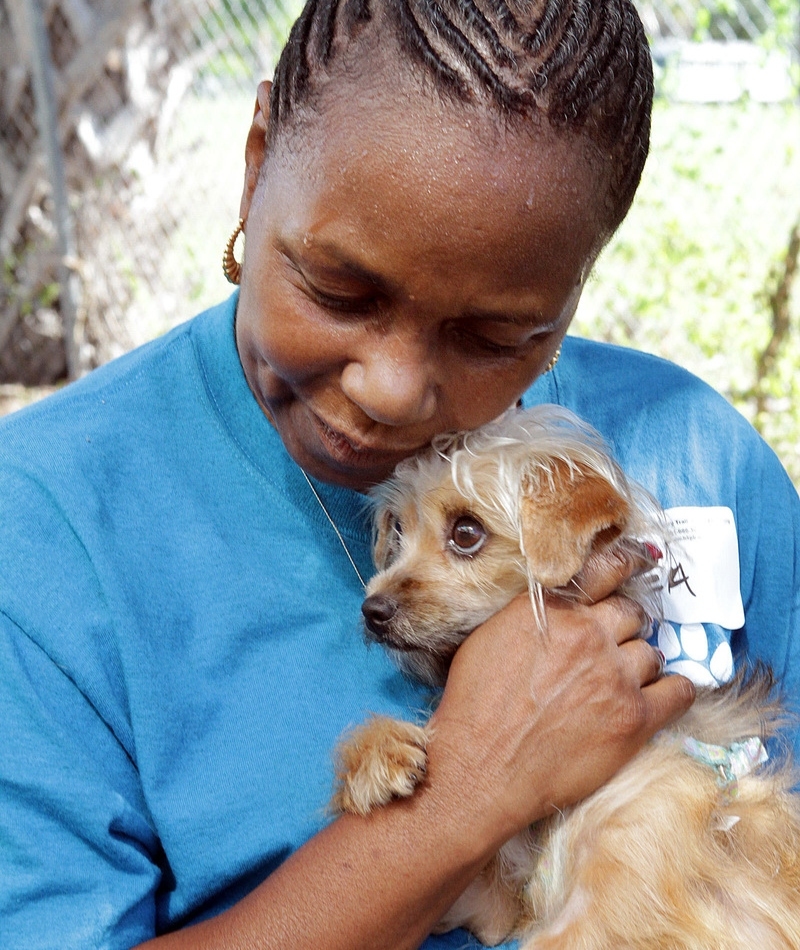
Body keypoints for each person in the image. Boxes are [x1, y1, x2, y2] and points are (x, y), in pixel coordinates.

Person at [1, 1, 797, 947]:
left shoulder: (691, 446)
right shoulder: (45, 528)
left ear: (579, 282)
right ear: (256, 163)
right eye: (340, 291)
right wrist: (466, 792)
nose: (393, 390)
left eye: (498, 335)